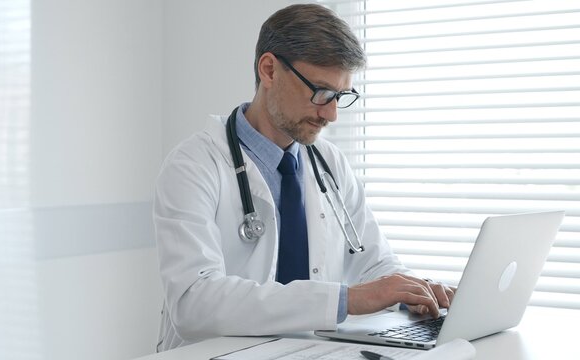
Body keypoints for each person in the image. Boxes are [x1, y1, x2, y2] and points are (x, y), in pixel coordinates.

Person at [153, 4, 454, 352]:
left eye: (341, 96)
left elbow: (374, 261)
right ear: (269, 70)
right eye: (322, 92)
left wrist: (414, 289)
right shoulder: (194, 166)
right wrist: (344, 300)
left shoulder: (330, 164)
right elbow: (194, 304)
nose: (331, 114)